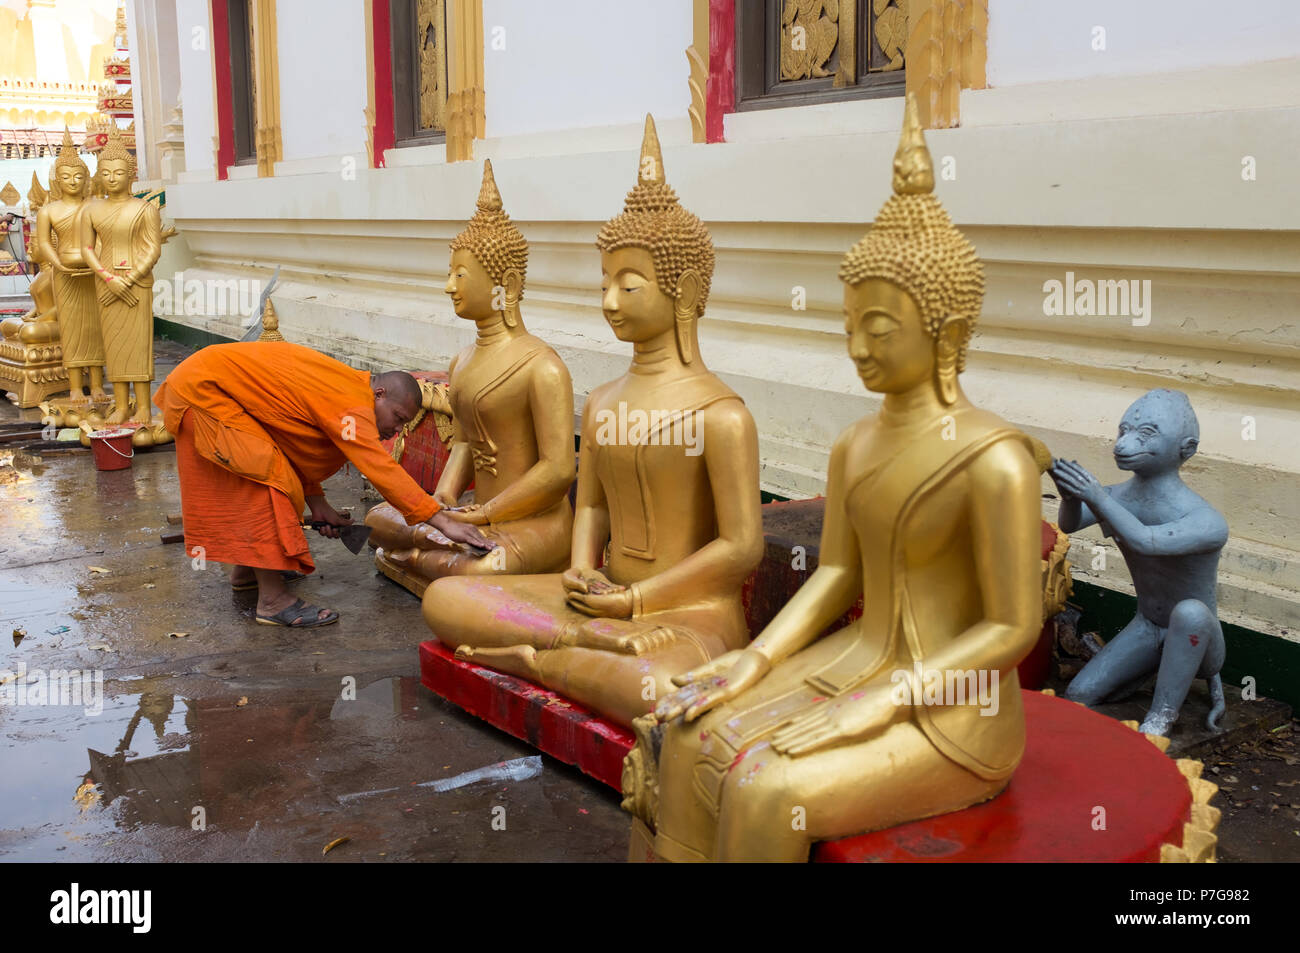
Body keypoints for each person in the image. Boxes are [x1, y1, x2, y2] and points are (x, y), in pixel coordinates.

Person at [155, 339, 490, 626]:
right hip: (203, 391)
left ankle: (247, 574)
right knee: (263, 476)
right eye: (398, 418)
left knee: (268, 466)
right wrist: (443, 522)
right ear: (379, 393)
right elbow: (381, 469)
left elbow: (289, 439)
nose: (397, 430)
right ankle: (272, 602)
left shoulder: (349, 393)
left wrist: (319, 505)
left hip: (210, 385)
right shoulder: (352, 404)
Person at [1051, 389, 1227, 735]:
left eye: (1145, 434)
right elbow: (1069, 524)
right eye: (1124, 430)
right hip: (1148, 625)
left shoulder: (1206, 519)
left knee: (1189, 611)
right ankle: (1149, 671)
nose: (1123, 444)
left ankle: (1161, 715)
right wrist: (1070, 495)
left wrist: (1096, 496)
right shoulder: (1118, 497)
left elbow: (1145, 541)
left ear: (1186, 449)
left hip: (1199, 640)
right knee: (1079, 694)